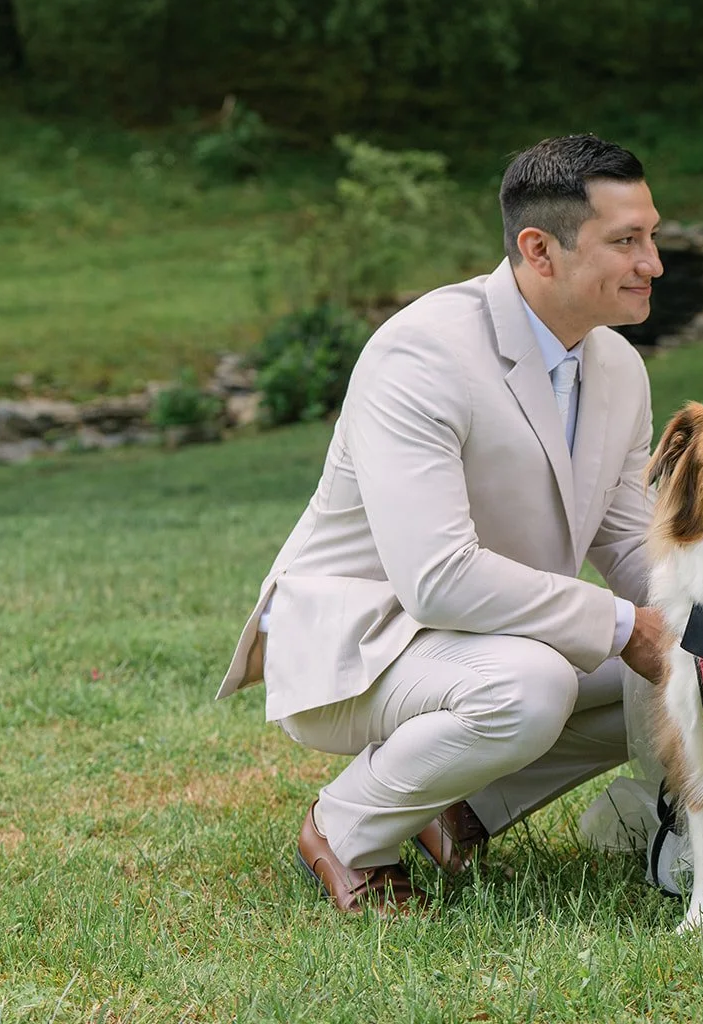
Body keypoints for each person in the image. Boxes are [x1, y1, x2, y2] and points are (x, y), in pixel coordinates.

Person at [216, 134, 668, 913]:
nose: (653, 262)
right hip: (361, 643)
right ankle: (347, 826)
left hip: (488, 635)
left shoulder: (618, 367)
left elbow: (629, 538)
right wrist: (628, 625)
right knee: (531, 686)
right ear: (540, 249)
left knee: (688, 668)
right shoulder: (419, 354)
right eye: (626, 242)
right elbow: (438, 579)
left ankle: (459, 811)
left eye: (651, 235)